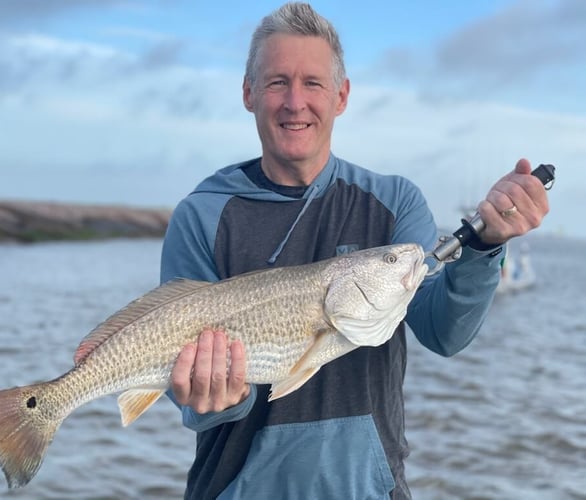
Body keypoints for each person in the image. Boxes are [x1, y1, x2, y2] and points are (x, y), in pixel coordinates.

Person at [160, 3, 550, 499]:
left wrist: (487, 246)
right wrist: (214, 395)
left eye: (314, 83)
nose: (295, 102)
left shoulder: (394, 204)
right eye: (277, 82)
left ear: (341, 96)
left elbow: (444, 332)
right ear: (248, 93)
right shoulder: (201, 214)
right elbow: (192, 405)